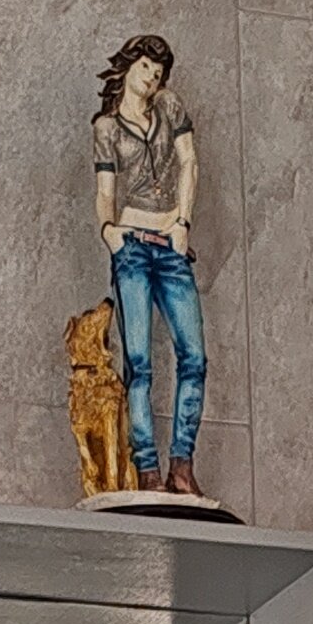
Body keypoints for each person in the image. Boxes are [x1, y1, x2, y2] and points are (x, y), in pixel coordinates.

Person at [92, 35, 207, 501]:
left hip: (171, 240)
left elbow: (189, 162)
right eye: (145, 68)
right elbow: (106, 188)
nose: (152, 78)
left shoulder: (170, 107)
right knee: (138, 362)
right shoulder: (107, 126)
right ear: (128, 68)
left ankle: (182, 464)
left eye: (158, 73)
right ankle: (147, 469)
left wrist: (183, 222)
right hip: (133, 244)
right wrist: (109, 231)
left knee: (194, 357)